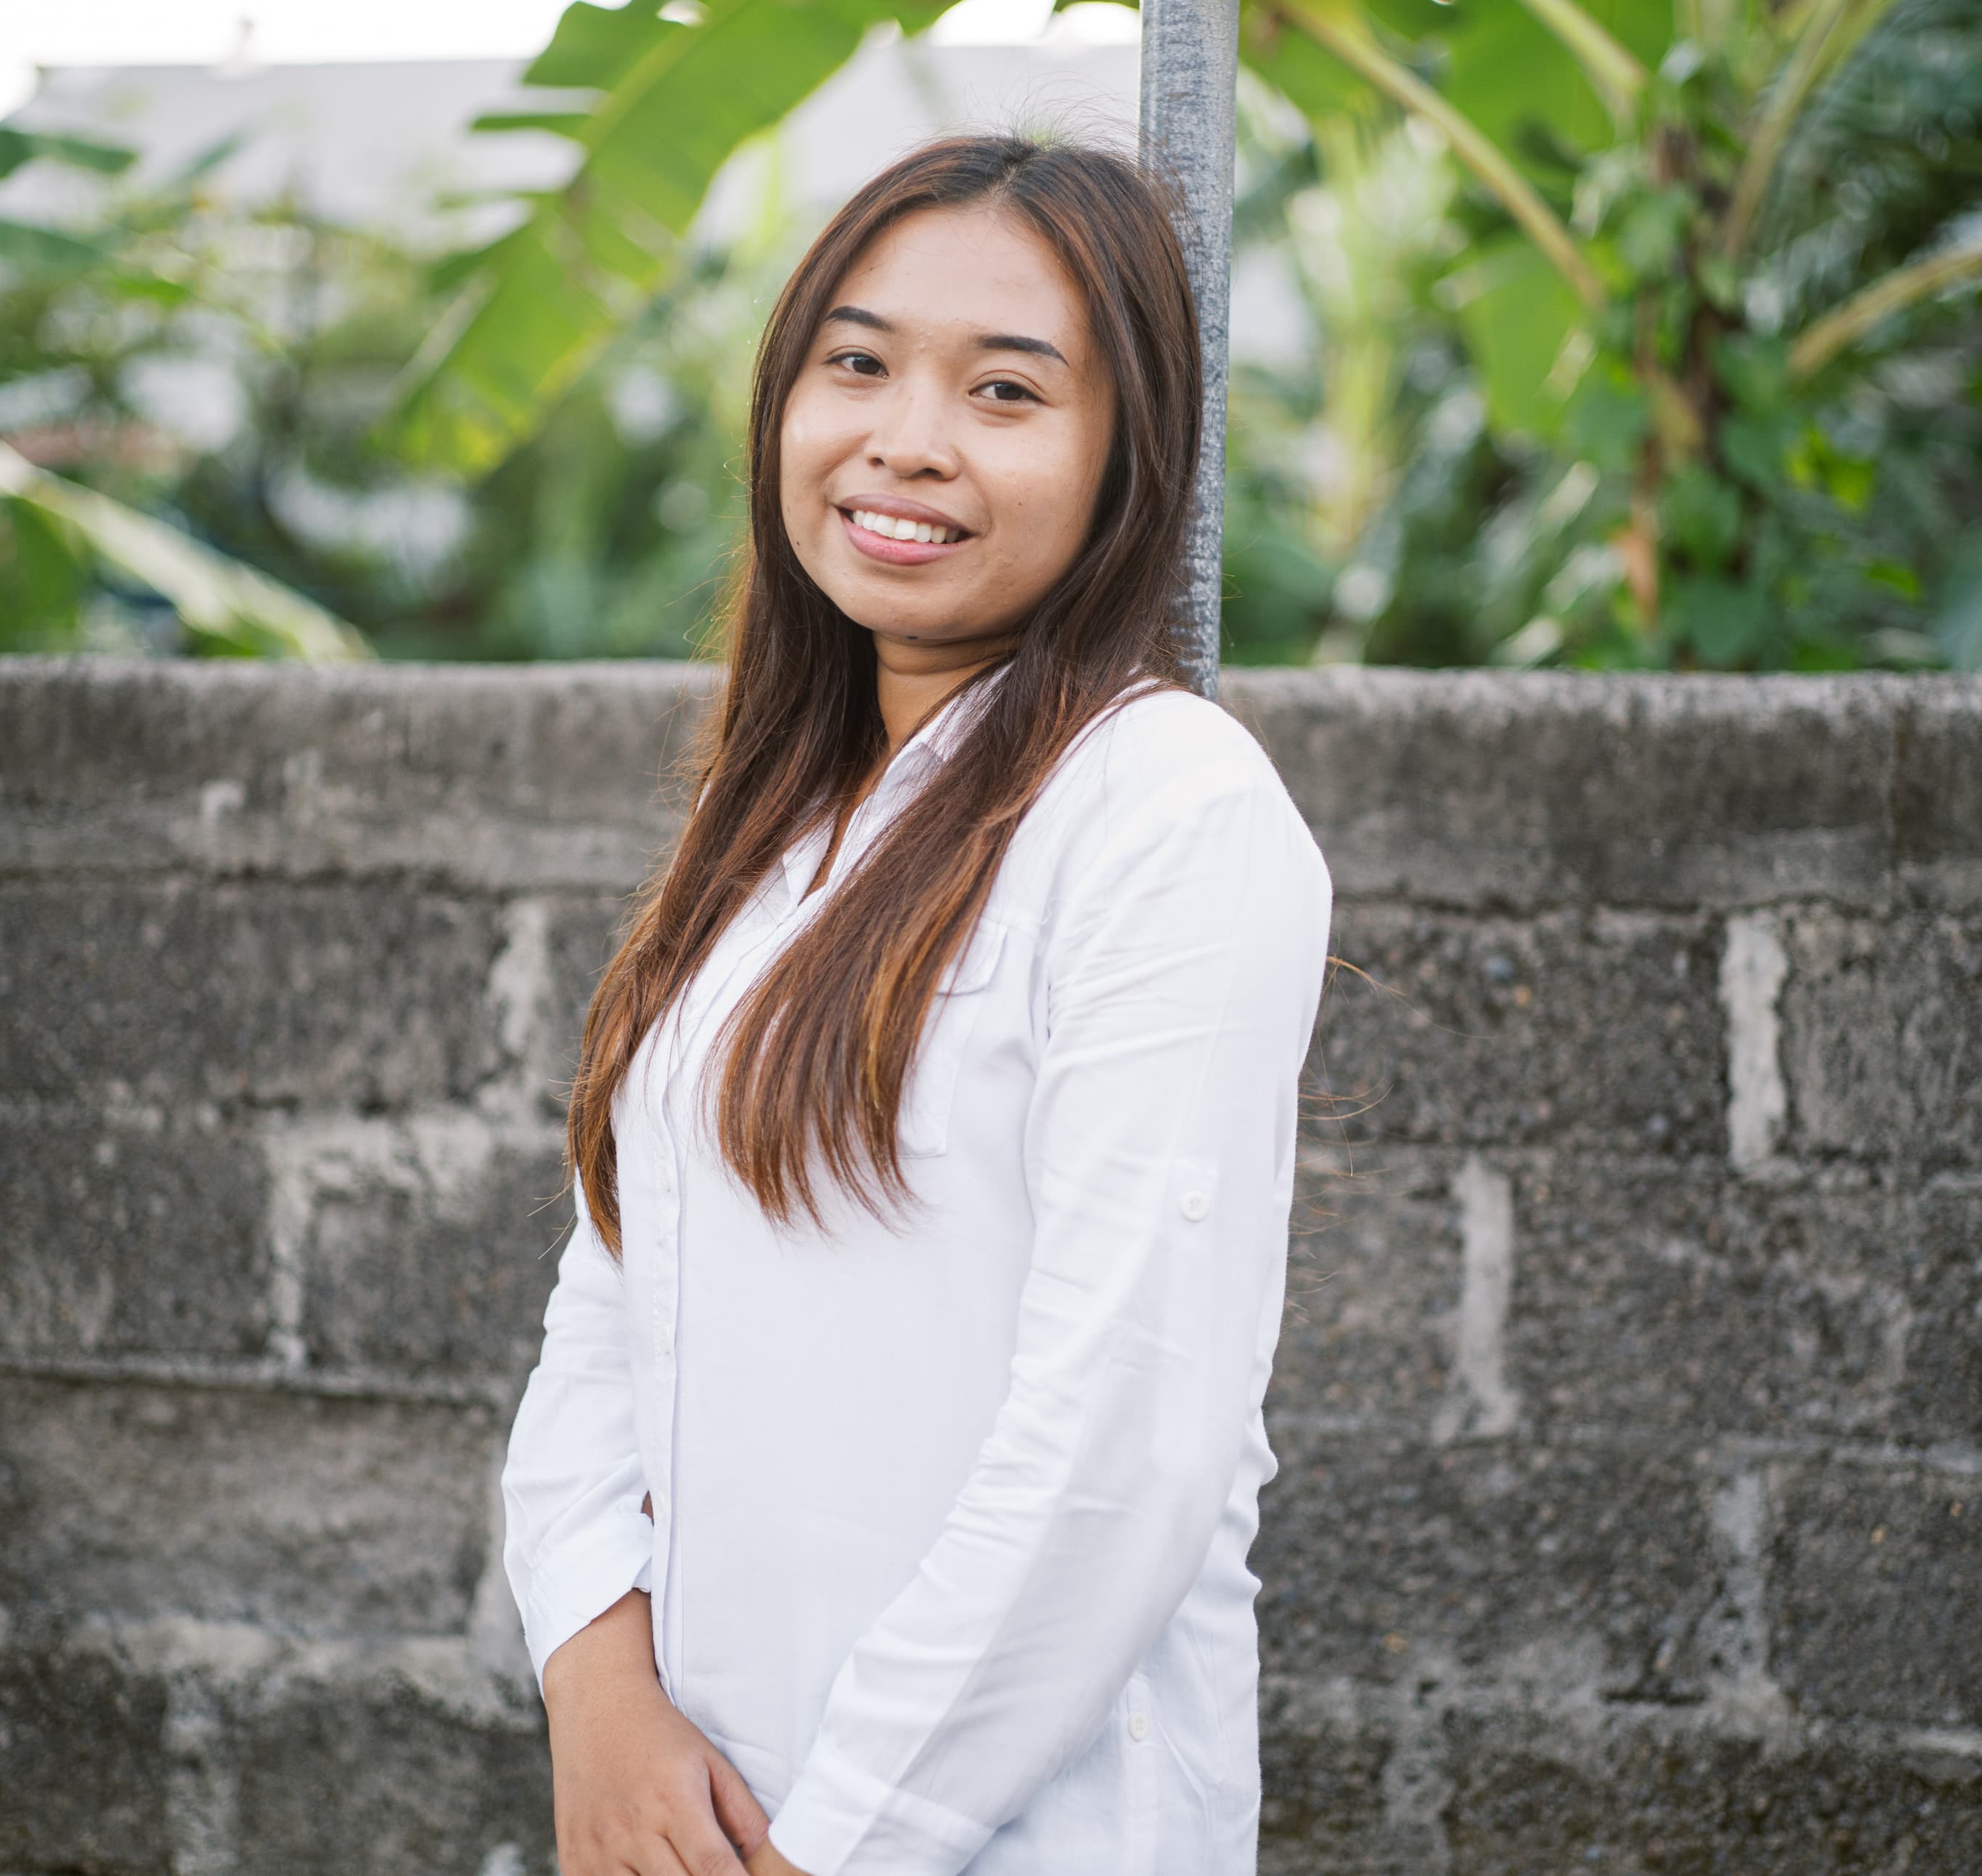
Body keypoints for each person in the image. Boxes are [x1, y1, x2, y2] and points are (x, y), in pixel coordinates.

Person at [500, 132, 1333, 1876]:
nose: (907, 439)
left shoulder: (1165, 807)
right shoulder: (784, 832)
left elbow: (1125, 1440)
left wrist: (843, 1842)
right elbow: (611, 1296)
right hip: (700, 1799)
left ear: (1128, 460)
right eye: (856, 362)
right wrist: (595, 1674)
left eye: (1007, 390)